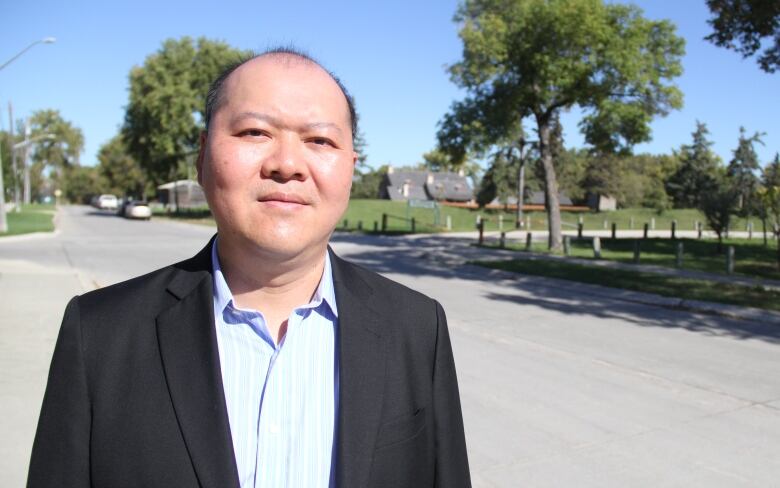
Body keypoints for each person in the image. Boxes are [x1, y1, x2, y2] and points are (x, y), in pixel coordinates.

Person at [27, 48, 471, 488]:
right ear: (202, 157)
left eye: (319, 140)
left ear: (350, 170)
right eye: (256, 132)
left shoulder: (416, 328)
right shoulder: (100, 334)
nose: (287, 165)